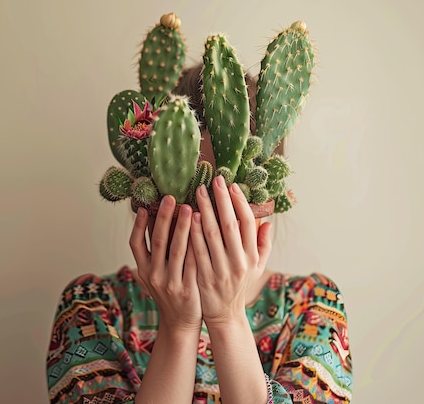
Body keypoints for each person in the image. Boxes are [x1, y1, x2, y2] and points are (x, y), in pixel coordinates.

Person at [45, 65, 353, 404]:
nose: (205, 218)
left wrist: (227, 318)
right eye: (186, 186)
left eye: (223, 192)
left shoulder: (313, 307)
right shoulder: (92, 305)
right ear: (149, 191)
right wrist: (178, 329)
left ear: (263, 200)